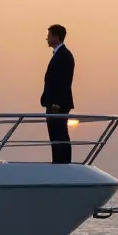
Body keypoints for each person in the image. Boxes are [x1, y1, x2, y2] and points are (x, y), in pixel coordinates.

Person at [40, 24, 75, 164]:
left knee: (59, 133)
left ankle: (62, 163)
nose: (47, 38)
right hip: (52, 102)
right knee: (55, 135)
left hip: (57, 104)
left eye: (49, 36)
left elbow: (63, 81)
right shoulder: (59, 55)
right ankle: (58, 161)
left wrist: (57, 103)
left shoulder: (64, 56)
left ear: (57, 37)